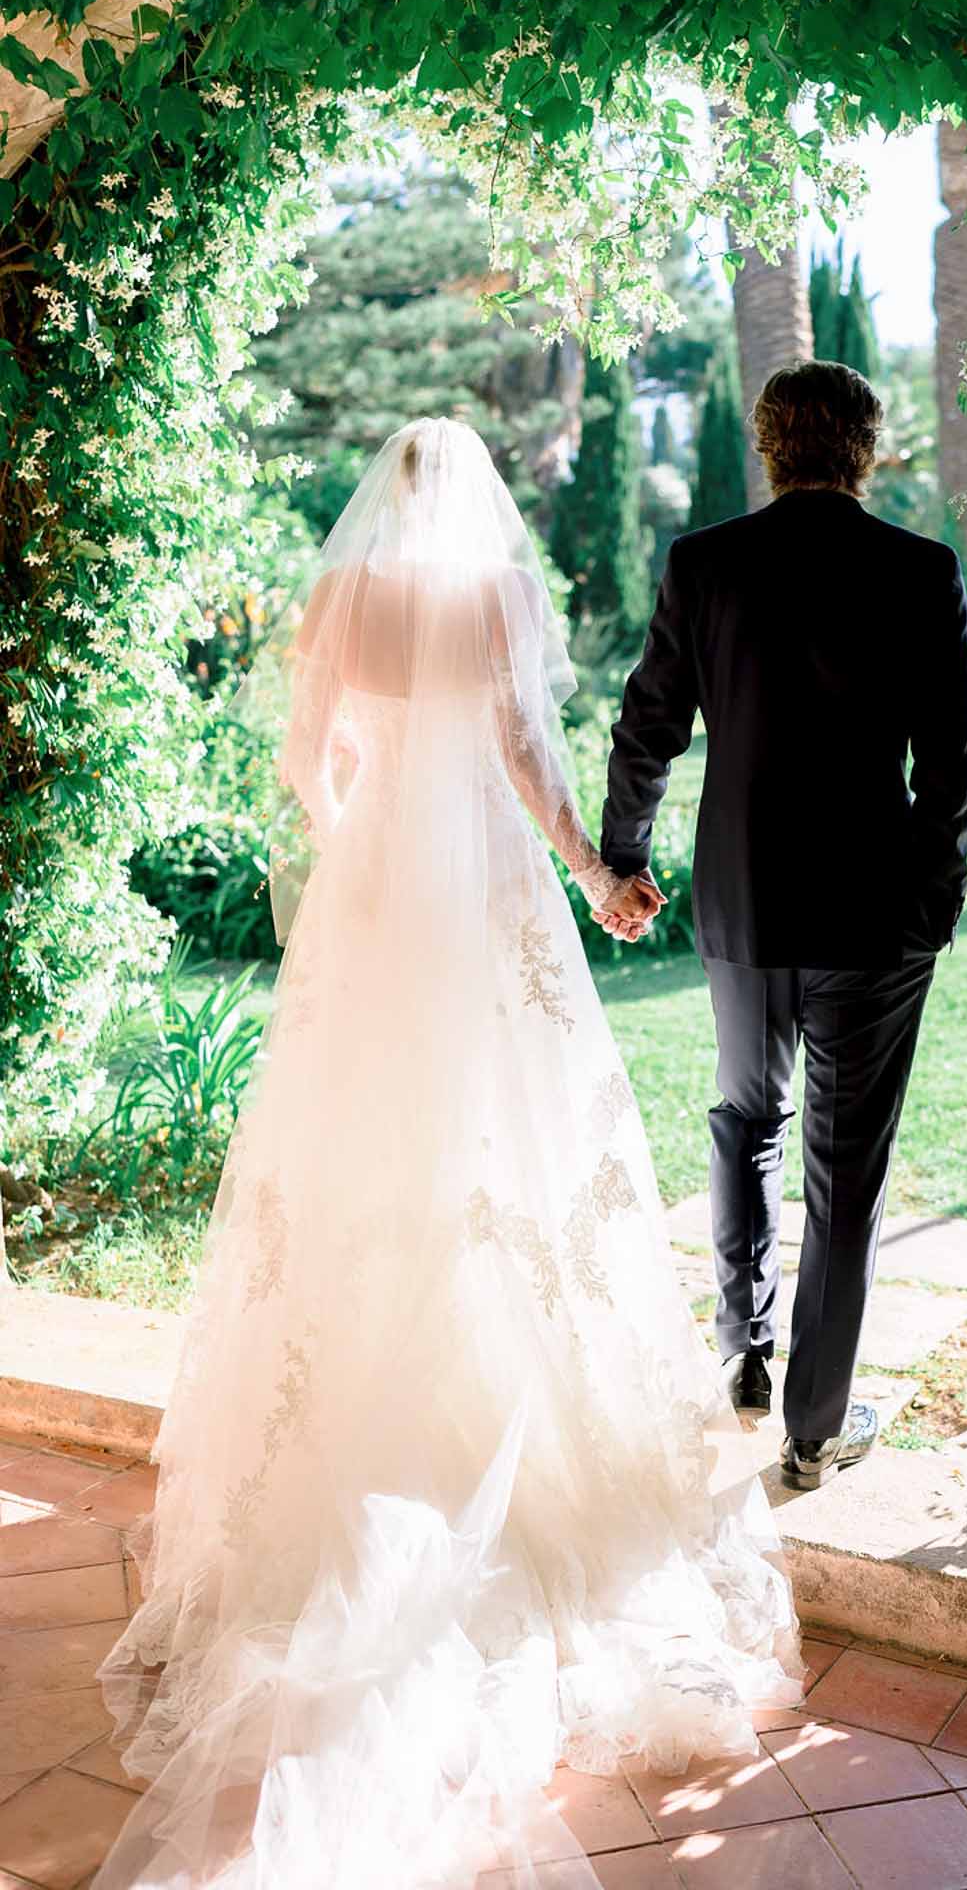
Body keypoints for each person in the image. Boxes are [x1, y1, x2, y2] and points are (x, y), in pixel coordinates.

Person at [93, 419, 802, 1890]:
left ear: (380, 502)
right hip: (483, 907)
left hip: (375, 911)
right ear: (470, 501)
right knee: (507, 1148)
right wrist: (599, 870)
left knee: (365, 1156)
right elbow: (534, 759)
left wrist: (355, 840)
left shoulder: (341, 601)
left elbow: (308, 759)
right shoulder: (495, 601)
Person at [597, 361, 967, 1492]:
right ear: (867, 449)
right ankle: (814, 1428)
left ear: (770, 448)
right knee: (844, 1172)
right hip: (874, 917)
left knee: (745, 1119)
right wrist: (937, 898)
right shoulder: (921, 569)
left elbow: (647, 726)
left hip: (742, 904)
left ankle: (746, 1351)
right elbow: (950, 761)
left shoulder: (705, 564)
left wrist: (627, 851)